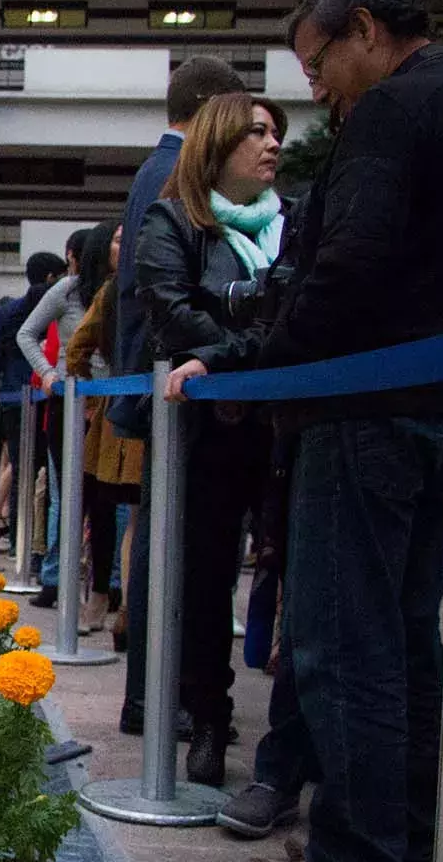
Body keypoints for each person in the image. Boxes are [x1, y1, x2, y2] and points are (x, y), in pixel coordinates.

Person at [184, 0, 443, 862]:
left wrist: (269, 359)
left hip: (364, 414)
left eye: (319, 65)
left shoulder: (393, 113)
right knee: (403, 639)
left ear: (365, 30)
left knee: (344, 642)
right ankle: (405, 848)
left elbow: (349, 267)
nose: (315, 91)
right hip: (440, 406)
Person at [134, 91, 289, 788]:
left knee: (302, 581)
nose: (273, 143)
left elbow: (308, 304)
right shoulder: (176, 221)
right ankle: (208, 720)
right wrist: (239, 361)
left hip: (294, 428)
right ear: (218, 143)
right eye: (256, 131)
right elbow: (170, 310)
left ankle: (293, 750)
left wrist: (240, 353)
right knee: (204, 580)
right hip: (215, 430)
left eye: (277, 132)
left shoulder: (299, 222)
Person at [111, 55, 248, 737]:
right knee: (169, 543)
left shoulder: (157, 170)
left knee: (166, 537)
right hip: (174, 384)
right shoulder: (169, 176)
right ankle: (156, 697)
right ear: (211, 112)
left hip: (167, 380)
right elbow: (163, 293)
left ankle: (156, 694)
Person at [63, 225, 145, 642]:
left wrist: (94, 402)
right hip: (134, 410)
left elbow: (77, 347)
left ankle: (110, 604)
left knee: (122, 514)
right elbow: (75, 349)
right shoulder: (119, 290)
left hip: (117, 413)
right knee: (131, 515)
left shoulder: (113, 291)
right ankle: (124, 608)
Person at [17, 227, 98, 605]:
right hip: (67, 400)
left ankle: (108, 584)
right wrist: (48, 374)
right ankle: (53, 577)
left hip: (110, 403)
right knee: (64, 494)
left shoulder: (121, 289)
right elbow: (26, 334)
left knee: (108, 500)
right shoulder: (65, 290)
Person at [0, 252, 66, 540]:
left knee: (21, 469)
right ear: (50, 278)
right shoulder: (54, 305)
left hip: (11, 397)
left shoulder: (7, 311)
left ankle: (20, 542)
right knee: (45, 471)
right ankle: (35, 543)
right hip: (44, 394)